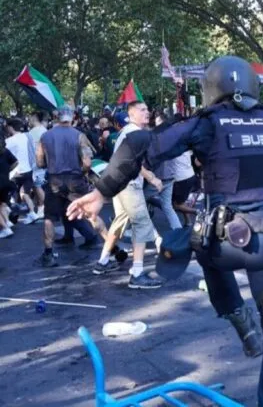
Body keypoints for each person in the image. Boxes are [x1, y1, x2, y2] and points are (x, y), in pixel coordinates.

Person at [67, 55, 263, 407]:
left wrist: (100, 192)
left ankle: (238, 317)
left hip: (224, 243)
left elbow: (139, 144)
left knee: (200, 243)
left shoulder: (207, 122)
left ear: (211, 88)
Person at [91, 101, 164, 288]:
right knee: (142, 224)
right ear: (131, 115)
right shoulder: (133, 133)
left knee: (119, 222)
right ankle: (137, 274)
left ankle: (103, 261)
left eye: (147, 109)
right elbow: (133, 164)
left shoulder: (127, 132)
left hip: (121, 185)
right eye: (142, 110)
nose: (147, 112)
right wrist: (152, 178)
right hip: (129, 185)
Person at [36, 106, 106, 266]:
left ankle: (48, 254)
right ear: (72, 117)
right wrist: (80, 172)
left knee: (49, 218)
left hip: (54, 181)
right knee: (90, 212)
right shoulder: (79, 135)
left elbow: (39, 162)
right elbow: (87, 162)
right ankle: (111, 247)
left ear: (56, 117)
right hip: (75, 179)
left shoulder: (45, 136)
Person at [144, 111, 183, 230]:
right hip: (170, 176)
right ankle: (178, 229)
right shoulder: (173, 136)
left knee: (138, 202)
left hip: (158, 177)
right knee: (167, 206)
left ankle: (132, 228)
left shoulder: (156, 137)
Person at [4, 118, 42, 225]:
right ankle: (32, 213)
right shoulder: (27, 137)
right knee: (24, 193)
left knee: (10, 195)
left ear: (10, 127)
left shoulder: (10, 141)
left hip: (16, 172)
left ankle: (10, 217)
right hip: (29, 169)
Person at [0, 138, 18, 238]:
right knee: (2, 204)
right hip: (6, 181)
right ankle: (7, 222)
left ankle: (5, 228)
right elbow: (16, 162)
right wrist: (7, 170)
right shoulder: (5, 150)